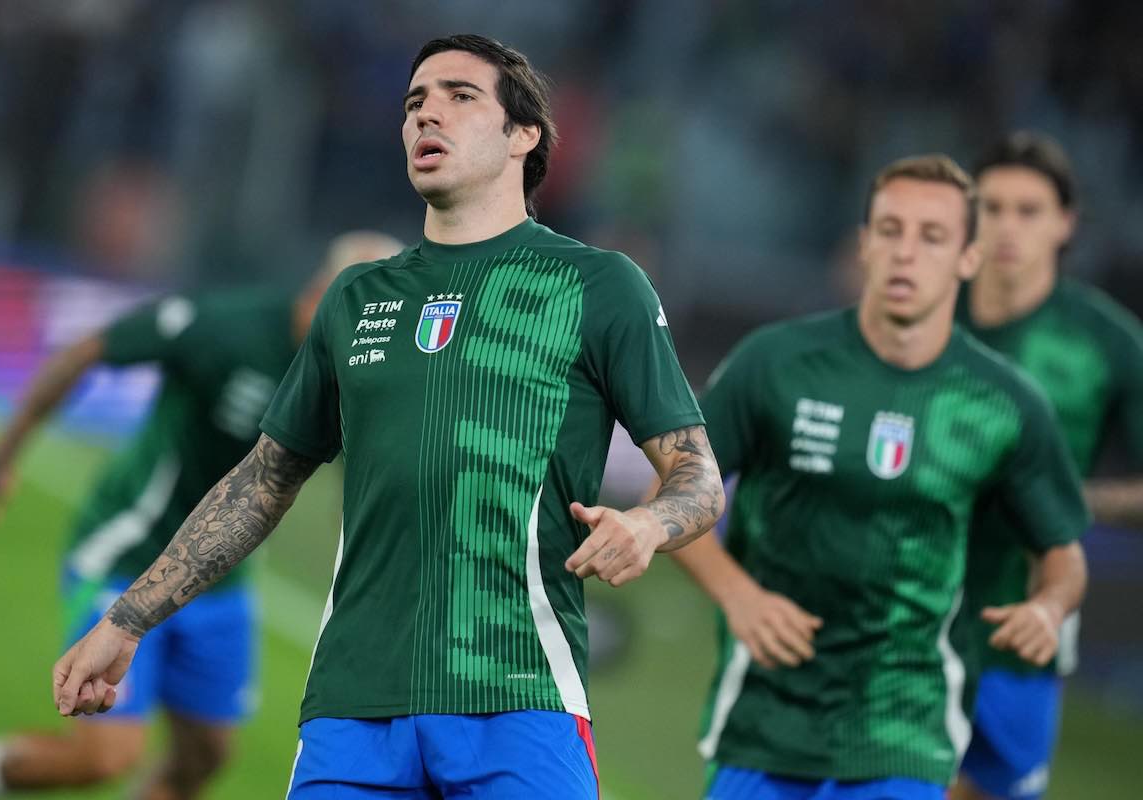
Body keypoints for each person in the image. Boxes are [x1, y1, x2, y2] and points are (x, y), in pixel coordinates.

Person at [49, 33, 725, 799]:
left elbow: (698, 477)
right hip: (353, 708)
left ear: (523, 136)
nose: (426, 114)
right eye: (414, 102)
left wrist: (648, 524)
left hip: (519, 694)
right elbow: (261, 483)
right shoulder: (355, 297)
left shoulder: (599, 286)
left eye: (459, 97)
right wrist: (128, 619)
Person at [673, 154, 1089, 800]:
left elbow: (1062, 556)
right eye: (891, 230)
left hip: (907, 725)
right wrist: (738, 595)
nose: (906, 253)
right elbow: (675, 496)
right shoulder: (774, 363)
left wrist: (1048, 606)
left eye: (932, 237)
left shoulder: (1006, 403)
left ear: (969, 258)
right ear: (865, 244)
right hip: (765, 715)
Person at [0, 231, 405, 800]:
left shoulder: (361, 373)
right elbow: (90, 349)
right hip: (130, 548)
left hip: (221, 577)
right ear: (330, 293)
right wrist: (2, 452)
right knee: (107, 754)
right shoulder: (226, 328)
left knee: (204, 756)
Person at [953, 132, 1143, 800]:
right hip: (905, 609)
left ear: (1065, 223)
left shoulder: (1107, 343)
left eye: (1028, 210)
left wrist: (1072, 501)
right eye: (992, 207)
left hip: (1027, 621)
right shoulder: (920, 316)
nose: (1008, 226)